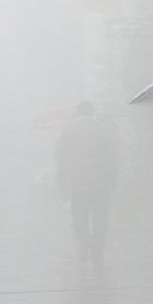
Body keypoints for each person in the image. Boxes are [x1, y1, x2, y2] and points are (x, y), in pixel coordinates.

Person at [55, 101, 119, 264]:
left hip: (78, 182)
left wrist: (61, 178)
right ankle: (97, 252)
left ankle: (85, 241)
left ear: (77, 113)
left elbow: (61, 157)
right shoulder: (103, 129)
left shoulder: (67, 130)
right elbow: (113, 156)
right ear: (92, 112)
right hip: (101, 182)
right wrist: (113, 178)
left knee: (78, 219)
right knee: (100, 219)